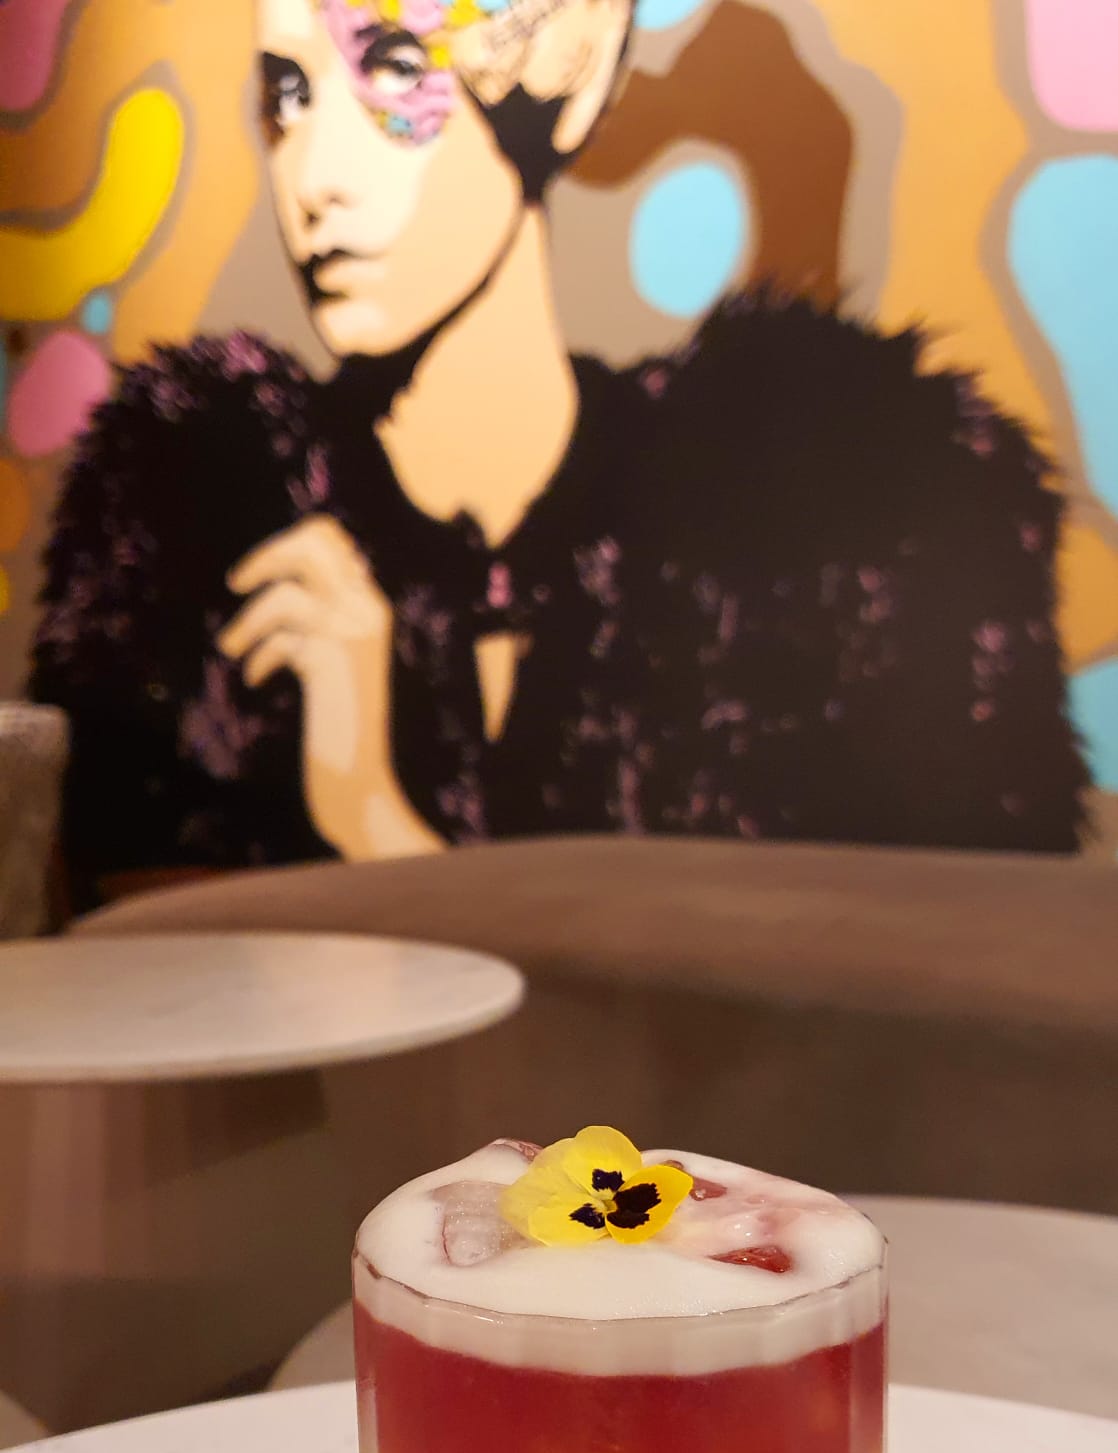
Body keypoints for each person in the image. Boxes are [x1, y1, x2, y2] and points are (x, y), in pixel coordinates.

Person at [31, 0, 1087, 908]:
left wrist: (369, 810)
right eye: (290, 96)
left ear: (565, 67)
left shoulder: (825, 521)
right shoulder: (200, 515)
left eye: (394, 73)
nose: (316, 176)